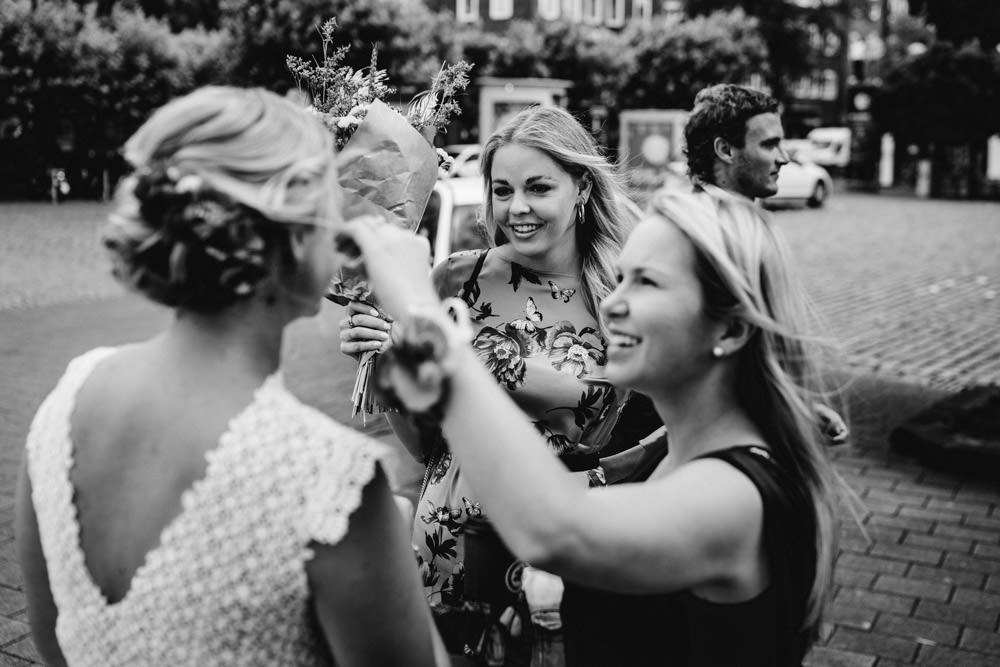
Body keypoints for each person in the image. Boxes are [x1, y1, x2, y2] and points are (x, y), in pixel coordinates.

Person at [14, 86, 446, 667]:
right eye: (329, 200)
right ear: (293, 237)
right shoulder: (332, 481)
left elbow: (52, 641)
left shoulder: (66, 399)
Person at [339, 187, 849, 666]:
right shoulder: (671, 453)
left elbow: (551, 529)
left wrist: (420, 315)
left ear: (731, 328)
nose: (612, 303)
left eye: (646, 282)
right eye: (621, 277)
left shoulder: (736, 496)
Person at [340, 105, 660, 663]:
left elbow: (594, 411)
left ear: (581, 187)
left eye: (538, 187)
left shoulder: (619, 292)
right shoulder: (457, 278)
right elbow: (427, 447)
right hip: (442, 542)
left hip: (548, 558)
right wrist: (388, 365)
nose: (518, 208)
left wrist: (444, 349)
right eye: (503, 189)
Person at [684, 83, 849, 444]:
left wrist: (797, 405)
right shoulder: (706, 234)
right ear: (725, 150)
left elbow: (757, 352)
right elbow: (707, 361)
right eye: (770, 144)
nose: (784, 158)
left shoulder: (742, 223)